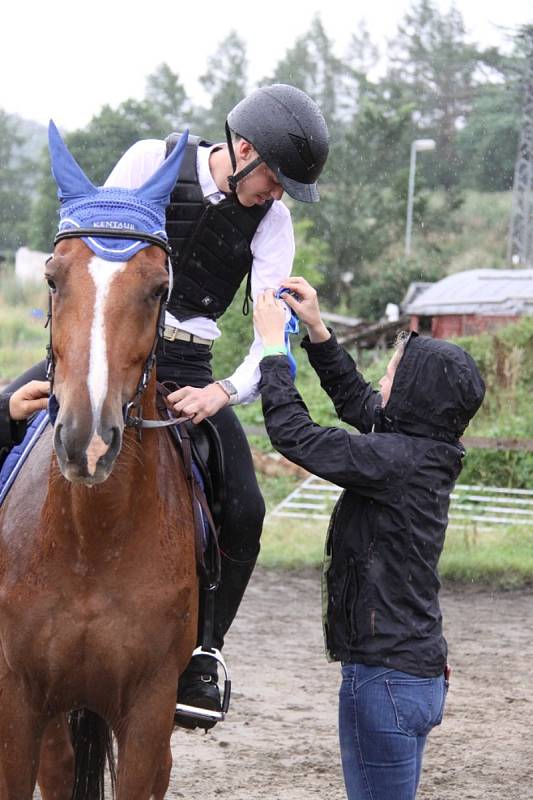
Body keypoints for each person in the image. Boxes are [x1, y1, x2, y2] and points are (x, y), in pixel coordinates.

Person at [0, 84, 329, 730]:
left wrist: (224, 392)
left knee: (244, 507)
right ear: (241, 150)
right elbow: (91, 249)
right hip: (105, 348)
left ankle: (203, 653)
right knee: (3, 420)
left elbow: (271, 330)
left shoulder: (273, 223)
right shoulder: (150, 157)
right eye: (275, 178)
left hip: (187, 375)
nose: (278, 193)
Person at [253, 278, 485, 800]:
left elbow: (295, 434)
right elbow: (359, 402)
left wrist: (273, 351)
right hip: (418, 675)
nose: (381, 384)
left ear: (413, 395)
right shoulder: (424, 450)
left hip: (384, 680)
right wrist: (315, 329)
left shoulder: (395, 462)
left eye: (390, 376)